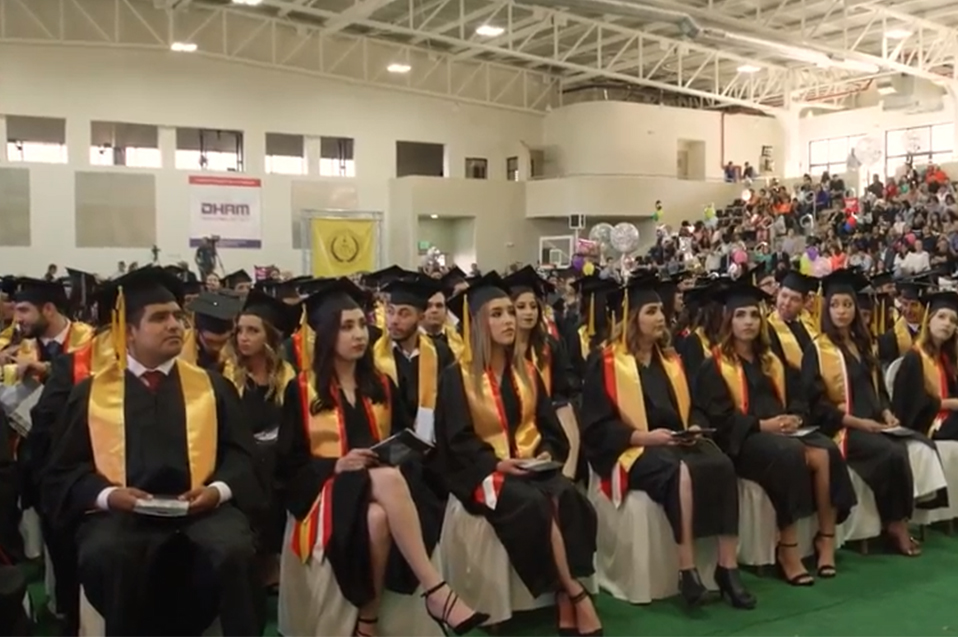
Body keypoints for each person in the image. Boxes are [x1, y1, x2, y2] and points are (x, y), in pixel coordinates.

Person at [43, 267, 265, 635]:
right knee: (108, 554)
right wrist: (110, 496)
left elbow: (242, 457)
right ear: (129, 331)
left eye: (179, 316)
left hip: (203, 513)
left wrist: (217, 491)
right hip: (123, 517)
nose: (176, 325)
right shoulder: (93, 393)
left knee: (233, 550)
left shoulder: (212, 387)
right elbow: (63, 471)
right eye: (160, 318)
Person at [277, 277, 487, 637]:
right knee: (387, 480)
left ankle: (368, 620)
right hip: (327, 492)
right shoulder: (301, 390)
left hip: (380, 496)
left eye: (362, 324)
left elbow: (403, 441)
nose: (359, 334)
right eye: (347, 327)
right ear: (326, 334)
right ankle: (436, 590)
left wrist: (400, 453)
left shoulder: (380, 385)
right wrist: (336, 464)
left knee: (377, 518)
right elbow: (286, 466)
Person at [435, 273, 601, 636]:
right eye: (496, 314)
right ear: (477, 323)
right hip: (482, 472)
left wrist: (544, 453)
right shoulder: (456, 377)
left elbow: (549, 427)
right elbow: (456, 440)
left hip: (529, 466)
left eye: (510, 312)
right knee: (533, 505)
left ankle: (562, 594)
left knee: (570, 496)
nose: (509, 320)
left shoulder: (526, 370)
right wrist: (498, 463)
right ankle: (572, 592)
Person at [580, 273, 755, 609]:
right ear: (632, 318)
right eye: (650, 311)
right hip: (630, 448)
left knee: (721, 464)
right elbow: (596, 428)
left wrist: (692, 426)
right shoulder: (604, 363)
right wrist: (644, 436)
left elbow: (695, 406)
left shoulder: (671, 360)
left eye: (661, 310)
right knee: (681, 472)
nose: (661, 317)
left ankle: (727, 567)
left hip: (673, 441)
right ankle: (687, 570)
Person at [694, 282, 856, 584]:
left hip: (782, 433)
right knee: (790, 455)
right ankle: (788, 548)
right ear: (728, 320)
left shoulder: (772, 359)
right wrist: (761, 425)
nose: (748, 322)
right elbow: (719, 419)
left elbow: (798, 394)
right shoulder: (714, 365)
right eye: (740, 315)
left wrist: (795, 416)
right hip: (745, 441)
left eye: (754, 315)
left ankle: (825, 539)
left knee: (826, 451)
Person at [801, 269, 947, 558]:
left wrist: (886, 412)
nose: (842, 311)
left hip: (872, 424)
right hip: (841, 428)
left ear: (856, 309)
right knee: (890, 452)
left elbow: (877, 389)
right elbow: (815, 405)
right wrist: (857, 422)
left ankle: (902, 518)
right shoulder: (817, 350)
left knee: (913, 443)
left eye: (847, 305)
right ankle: (896, 524)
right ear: (826, 309)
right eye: (835, 305)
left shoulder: (863, 344)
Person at [222, 289, 301, 589]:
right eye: (240, 330)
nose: (243, 337)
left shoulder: (288, 375)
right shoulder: (228, 374)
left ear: (269, 336)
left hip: (278, 456)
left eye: (252, 331)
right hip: (242, 456)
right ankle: (261, 561)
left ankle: (277, 560)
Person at [374, 276, 455, 439]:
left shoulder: (440, 352)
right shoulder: (373, 354)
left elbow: (450, 404)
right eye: (390, 312)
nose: (394, 321)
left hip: (434, 445)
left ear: (420, 317)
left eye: (404, 314)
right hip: (388, 447)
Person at [503, 266, 578, 405]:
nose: (529, 312)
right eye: (520, 307)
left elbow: (562, 390)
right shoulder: (501, 350)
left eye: (533, 306)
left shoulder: (549, 345)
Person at [893, 290, 958, 440]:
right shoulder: (915, 357)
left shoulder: (948, 358)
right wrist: (948, 404)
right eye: (941, 317)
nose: (947, 323)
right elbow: (909, 406)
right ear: (928, 320)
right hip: (926, 425)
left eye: (953, 320)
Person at [766, 271, 818, 369]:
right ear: (777, 293)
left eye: (794, 299)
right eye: (784, 296)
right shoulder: (767, 328)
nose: (786, 303)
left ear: (804, 302)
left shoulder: (808, 324)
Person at [184, 289, 243, 370]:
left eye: (223, 342)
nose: (216, 348)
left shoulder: (239, 349)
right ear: (197, 332)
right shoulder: (180, 348)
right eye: (210, 342)